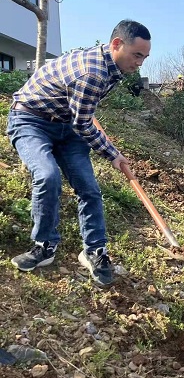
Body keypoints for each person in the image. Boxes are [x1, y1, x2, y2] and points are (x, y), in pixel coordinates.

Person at [6, 19, 151, 286]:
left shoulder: (111, 66)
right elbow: (83, 124)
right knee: (48, 176)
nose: (140, 62)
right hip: (30, 120)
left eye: (144, 57)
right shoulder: (93, 72)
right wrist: (113, 154)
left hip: (66, 126)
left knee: (89, 188)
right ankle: (44, 245)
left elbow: (80, 117)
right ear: (117, 44)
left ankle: (94, 250)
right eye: (137, 55)